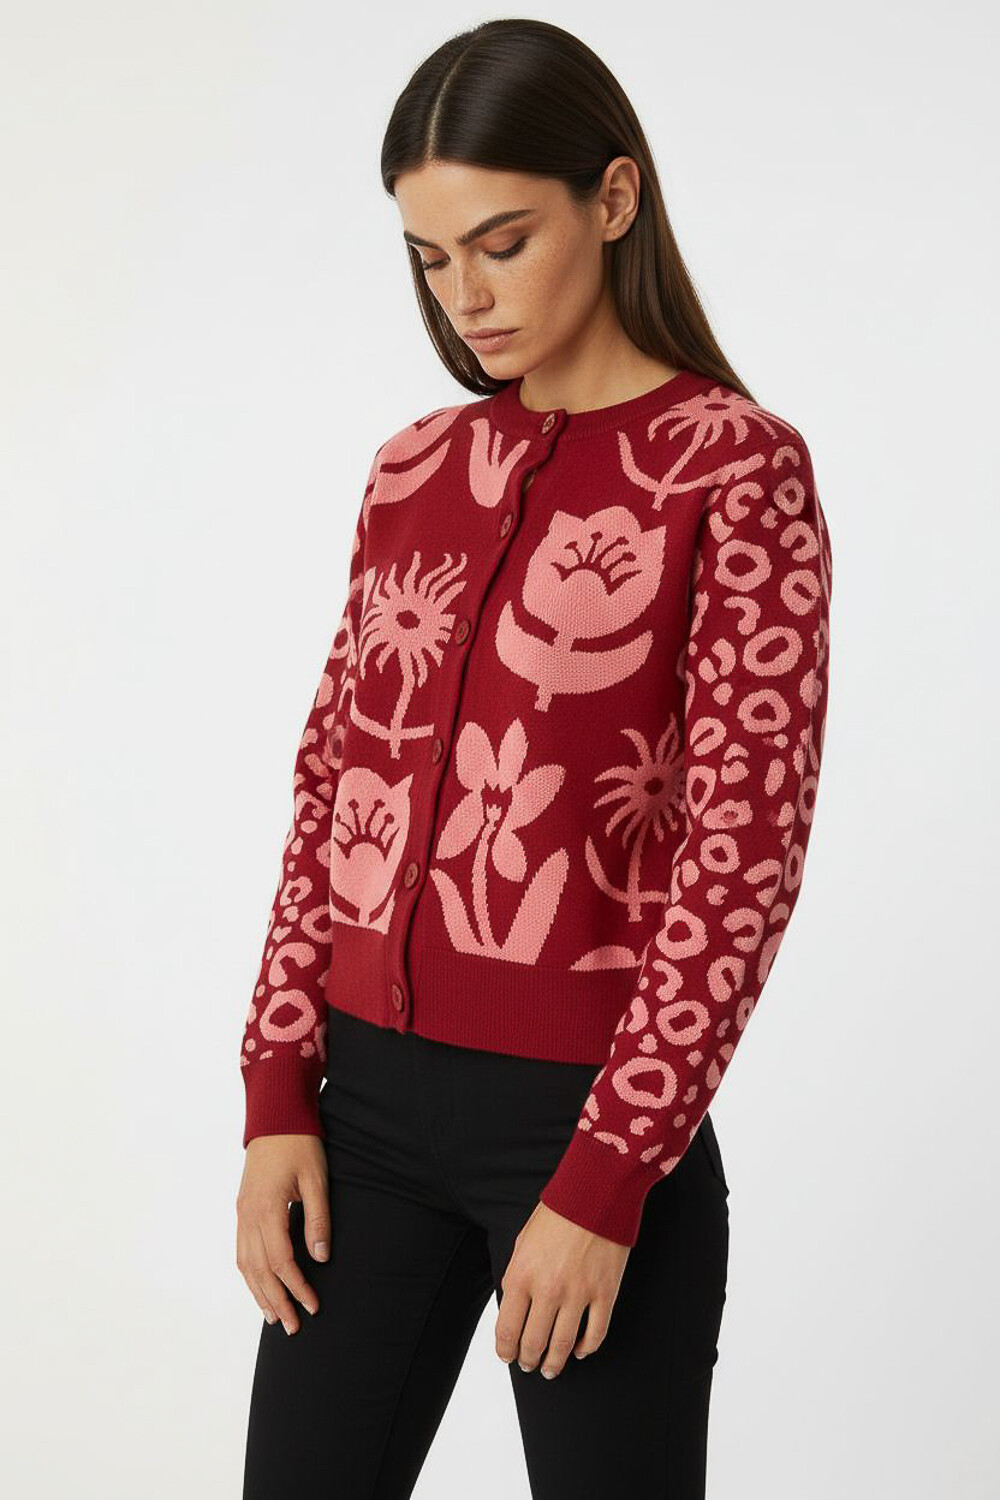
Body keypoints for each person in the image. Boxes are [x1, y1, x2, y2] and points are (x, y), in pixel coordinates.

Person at [237, 17, 833, 1499]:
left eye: (502, 242)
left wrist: (609, 1175)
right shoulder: (414, 469)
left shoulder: (734, 468)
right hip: (362, 1126)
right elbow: (335, 788)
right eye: (432, 257)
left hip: (585, 1123)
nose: (468, 295)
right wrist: (276, 1091)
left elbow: (741, 861)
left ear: (613, 197)